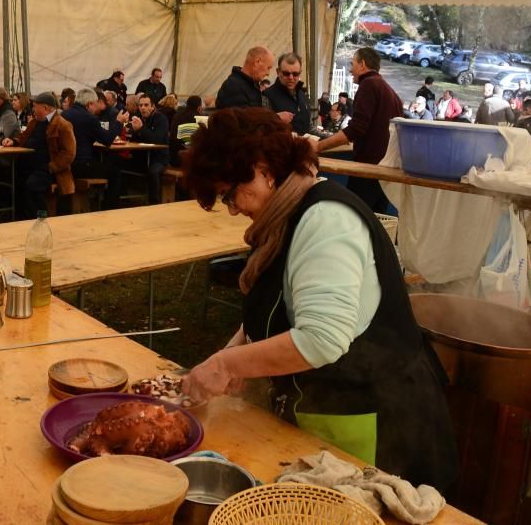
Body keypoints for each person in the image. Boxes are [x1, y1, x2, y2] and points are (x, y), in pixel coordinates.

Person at [179, 108, 459, 491]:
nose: (231, 208)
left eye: (231, 193)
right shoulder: (284, 219)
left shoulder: (325, 220)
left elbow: (321, 339)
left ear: (263, 168)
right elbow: (282, 302)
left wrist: (227, 365)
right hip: (327, 412)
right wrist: (234, 351)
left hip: (376, 423)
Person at [316, 48, 402, 212]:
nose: (350, 69)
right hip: (384, 169)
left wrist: (318, 146)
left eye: (352, 64)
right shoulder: (389, 90)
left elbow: (356, 129)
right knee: (377, 219)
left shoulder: (369, 84)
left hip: (368, 168)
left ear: (362, 64)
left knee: (356, 215)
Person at [3, 92, 76, 217]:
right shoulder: (35, 122)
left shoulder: (62, 125)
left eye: (35, 106)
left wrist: (51, 167)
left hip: (49, 169)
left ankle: (40, 218)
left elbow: (69, 153)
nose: (33, 109)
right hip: (28, 166)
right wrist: (13, 141)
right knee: (9, 178)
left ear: (46, 108)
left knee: (33, 185)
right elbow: (23, 137)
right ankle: (19, 217)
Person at [63, 87, 121, 182]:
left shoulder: (64, 115)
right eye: (95, 104)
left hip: (65, 164)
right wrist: (118, 122)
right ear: (89, 104)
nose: (96, 108)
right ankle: (108, 197)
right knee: (115, 172)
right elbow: (107, 140)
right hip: (81, 166)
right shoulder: (89, 118)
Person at [130, 95, 170, 204]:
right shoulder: (138, 117)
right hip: (142, 157)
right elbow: (133, 141)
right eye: (140, 105)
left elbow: (156, 139)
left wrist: (141, 129)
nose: (143, 108)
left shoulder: (161, 119)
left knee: (153, 171)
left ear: (152, 107)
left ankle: (154, 203)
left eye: (146, 105)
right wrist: (135, 131)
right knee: (117, 164)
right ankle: (124, 201)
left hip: (159, 158)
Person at [264, 52, 311, 134]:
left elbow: (309, 127)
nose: (291, 77)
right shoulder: (267, 96)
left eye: (295, 74)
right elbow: (265, 130)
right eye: (286, 73)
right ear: (278, 72)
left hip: (304, 145)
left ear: (300, 73)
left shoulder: (302, 95)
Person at [170, 95, 202, 167]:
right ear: (199, 107)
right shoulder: (198, 118)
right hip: (189, 160)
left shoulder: (177, 115)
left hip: (173, 157)